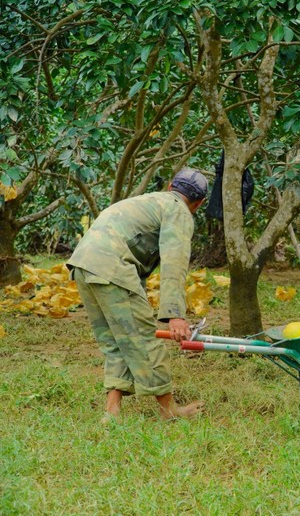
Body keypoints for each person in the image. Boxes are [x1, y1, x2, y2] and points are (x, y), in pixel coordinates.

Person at [67, 169, 208, 422]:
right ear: (199, 203)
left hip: (83, 264)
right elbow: (174, 265)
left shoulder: (149, 201)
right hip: (112, 267)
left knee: (116, 341)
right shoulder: (179, 211)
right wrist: (175, 316)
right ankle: (169, 411)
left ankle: (111, 413)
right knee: (144, 340)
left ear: (170, 186)